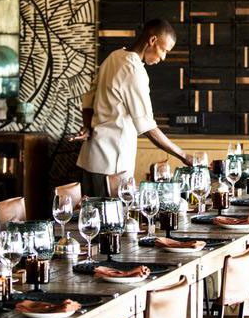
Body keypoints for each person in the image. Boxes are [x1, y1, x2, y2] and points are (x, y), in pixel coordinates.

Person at [71, 18, 192, 197]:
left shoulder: (113, 57)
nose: (164, 57)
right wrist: (183, 155)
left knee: (90, 220)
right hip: (112, 166)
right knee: (110, 223)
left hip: (90, 159)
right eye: (164, 50)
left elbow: (88, 99)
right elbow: (148, 127)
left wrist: (88, 126)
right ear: (152, 41)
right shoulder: (133, 70)